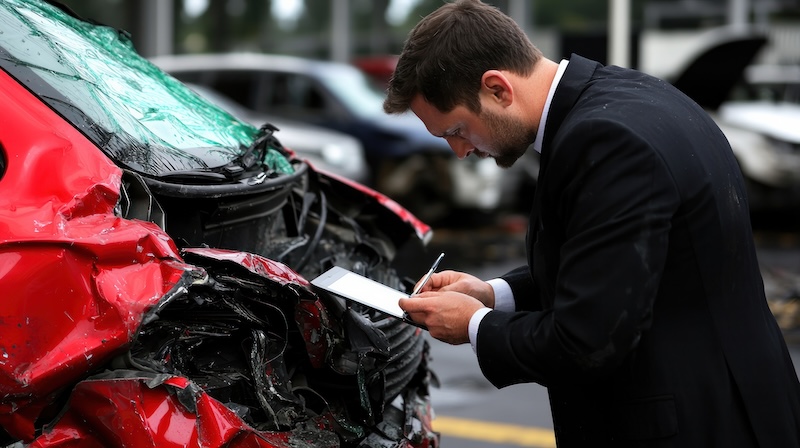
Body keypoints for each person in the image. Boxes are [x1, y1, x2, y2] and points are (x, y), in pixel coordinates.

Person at [383, 0, 800, 446]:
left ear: (497, 89)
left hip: (696, 424)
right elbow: (617, 264)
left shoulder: (607, 141)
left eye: (456, 131)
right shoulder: (629, 97)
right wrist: (494, 295)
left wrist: (474, 324)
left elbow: (588, 342)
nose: (460, 153)